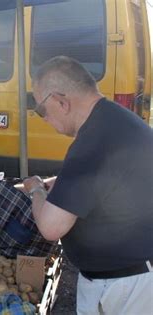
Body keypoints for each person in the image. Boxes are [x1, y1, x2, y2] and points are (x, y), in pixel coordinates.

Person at [23, 56, 153, 315]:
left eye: (41, 110)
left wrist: (36, 189)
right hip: (129, 276)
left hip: (124, 285)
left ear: (61, 101)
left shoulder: (94, 140)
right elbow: (106, 180)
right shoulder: (112, 120)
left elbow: (50, 227)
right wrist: (58, 185)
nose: (43, 118)